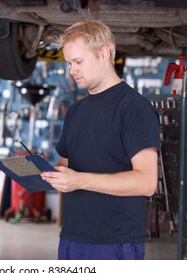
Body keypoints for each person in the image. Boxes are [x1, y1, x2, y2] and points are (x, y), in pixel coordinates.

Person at [40, 20, 160, 260]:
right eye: (69, 63)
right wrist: (42, 172)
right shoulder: (75, 111)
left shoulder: (134, 108)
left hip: (114, 242)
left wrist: (80, 181)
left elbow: (147, 182)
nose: (72, 70)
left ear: (104, 53)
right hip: (72, 238)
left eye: (78, 61)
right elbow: (65, 166)